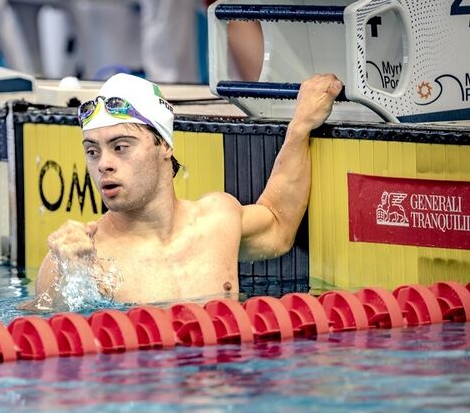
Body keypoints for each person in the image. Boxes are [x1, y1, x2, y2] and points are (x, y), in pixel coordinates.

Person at [35, 71, 343, 305]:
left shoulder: (217, 221)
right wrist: (71, 281)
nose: (103, 163)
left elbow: (279, 225)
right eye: (93, 151)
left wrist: (300, 127)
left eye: (121, 146)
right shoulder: (80, 259)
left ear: (164, 145)